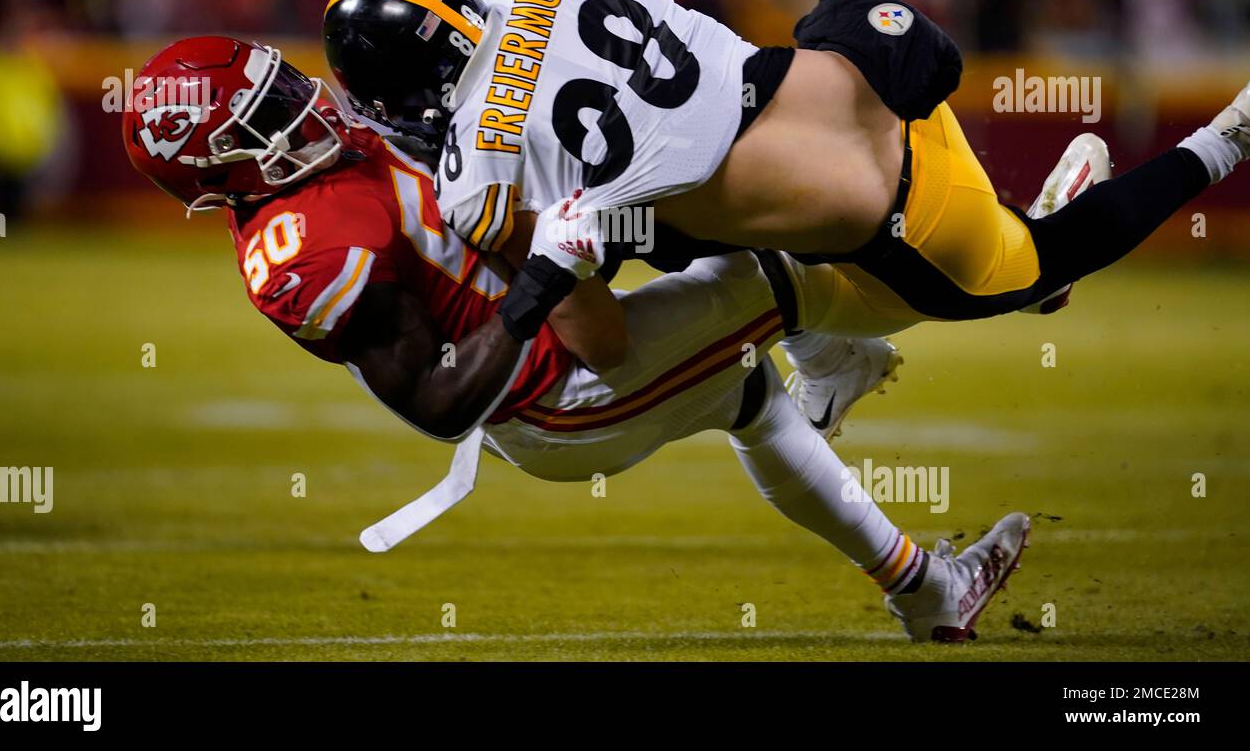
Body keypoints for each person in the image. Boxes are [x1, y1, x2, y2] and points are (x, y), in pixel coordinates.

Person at [320, 0, 1249, 426]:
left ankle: (1222, 139)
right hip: (873, 51)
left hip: (893, 209)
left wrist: (545, 274)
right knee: (654, 203)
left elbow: (603, 345)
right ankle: (859, 322)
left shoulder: (483, 180)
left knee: (1036, 267)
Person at [121, 35, 1028, 642]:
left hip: (561, 333)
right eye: (267, 115)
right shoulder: (302, 249)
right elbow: (437, 401)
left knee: (747, 392)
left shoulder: (336, 148)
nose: (302, 103)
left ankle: (929, 593)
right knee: (773, 272)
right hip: (560, 397)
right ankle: (1020, 272)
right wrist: (544, 274)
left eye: (282, 83)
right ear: (221, 171)